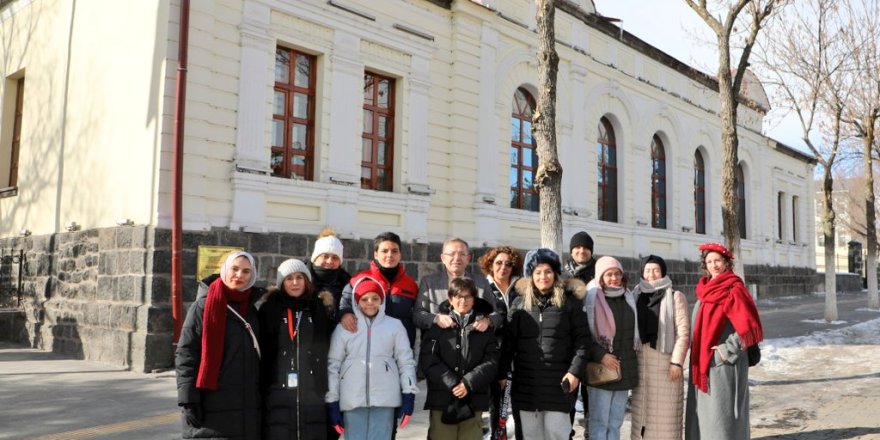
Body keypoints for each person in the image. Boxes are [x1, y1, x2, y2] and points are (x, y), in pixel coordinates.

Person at [500, 248, 591, 440]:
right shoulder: (518, 305)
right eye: (538, 272)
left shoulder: (569, 303)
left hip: (558, 385)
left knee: (556, 435)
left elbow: (582, 342)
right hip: (526, 386)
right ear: (530, 275)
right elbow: (508, 344)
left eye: (548, 271)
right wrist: (502, 374)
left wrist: (575, 372)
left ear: (555, 274)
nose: (543, 277)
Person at [176, 251, 263, 439]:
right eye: (235, 269)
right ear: (224, 270)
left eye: (246, 271)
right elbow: (186, 354)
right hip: (211, 405)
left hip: (247, 406)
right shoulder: (203, 306)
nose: (239, 275)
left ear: (252, 275)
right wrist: (188, 401)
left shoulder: (251, 309)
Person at [685, 243, 763, 440]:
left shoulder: (734, 289)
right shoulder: (705, 289)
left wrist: (725, 352)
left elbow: (747, 327)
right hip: (703, 363)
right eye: (709, 262)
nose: (714, 265)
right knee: (706, 416)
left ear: (726, 263)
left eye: (717, 261)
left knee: (723, 416)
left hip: (725, 364)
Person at [326, 277, 419, 440]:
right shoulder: (344, 328)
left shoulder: (394, 326)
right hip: (352, 399)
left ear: (381, 300)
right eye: (364, 299)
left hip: (385, 399)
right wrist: (332, 401)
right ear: (356, 301)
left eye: (375, 298)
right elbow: (332, 365)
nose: (370, 302)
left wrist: (408, 394)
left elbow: (405, 362)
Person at [259, 259, 335, 440]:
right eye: (289, 278)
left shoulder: (318, 307)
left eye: (299, 277)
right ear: (281, 283)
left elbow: (327, 346)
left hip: (313, 385)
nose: (295, 283)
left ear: (306, 280)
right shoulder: (269, 309)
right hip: (277, 386)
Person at [419, 277, 499, 439]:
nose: (463, 301)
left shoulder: (484, 327)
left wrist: (468, 383)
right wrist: (454, 383)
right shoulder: (438, 326)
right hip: (442, 397)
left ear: (474, 299)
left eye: (468, 297)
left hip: (474, 397)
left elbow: (492, 361)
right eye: (458, 296)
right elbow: (428, 359)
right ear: (450, 299)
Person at [630, 255, 689, 440]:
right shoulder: (635, 295)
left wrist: (677, 363)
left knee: (666, 417)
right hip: (641, 363)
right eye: (647, 270)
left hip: (666, 365)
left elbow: (683, 333)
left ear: (663, 272)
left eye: (656, 270)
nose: (651, 274)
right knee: (642, 416)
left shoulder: (674, 296)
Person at [584, 256, 640, 440]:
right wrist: (601, 355)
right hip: (601, 368)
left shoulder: (628, 296)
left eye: (617, 273)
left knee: (616, 422)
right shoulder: (591, 298)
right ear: (600, 276)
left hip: (625, 367)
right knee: (600, 423)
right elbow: (583, 335)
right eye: (609, 274)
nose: (614, 278)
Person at [337, 232, 419, 346]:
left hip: (402, 348)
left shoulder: (411, 284)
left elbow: (419, 312)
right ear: (376, 254)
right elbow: (345, 303)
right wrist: (345, 314)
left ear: (400, 255)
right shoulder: (359, 280)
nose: (390, 255)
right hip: (369, 347)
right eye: (384, 251)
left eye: (394, 251)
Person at [478, 245, 523, 439]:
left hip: (520, 355)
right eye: (498, 263)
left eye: (508, 264)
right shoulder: (483, 289)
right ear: (490, 265)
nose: (503, 267)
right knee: (497, 405)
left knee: (520, 405)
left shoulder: (521, 289)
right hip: (494, 355)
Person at [414, 238, 501, 334]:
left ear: (468, 259)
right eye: (452, 254)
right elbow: (418, 315)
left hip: (472, 343)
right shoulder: (429, 282)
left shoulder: (481, 282)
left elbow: (496, 314)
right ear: (443, 258)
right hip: (438, 343)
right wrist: (436, 318)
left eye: (462, 254)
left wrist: (487, 321)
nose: (457, 258)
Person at [308, 228, 351, 325]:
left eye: (335, 258)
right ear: (315, 258)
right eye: (325, 256)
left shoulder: (348, 285)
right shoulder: (300, 281)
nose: (330, 261)